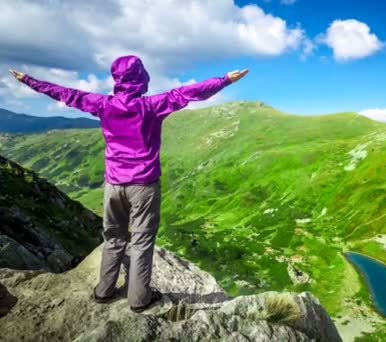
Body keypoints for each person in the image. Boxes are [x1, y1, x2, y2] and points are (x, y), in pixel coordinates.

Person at [9, 56, 248, 313]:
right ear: (142, 77)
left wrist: (29, 81)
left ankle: (104, 291)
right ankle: (139, 298)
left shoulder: (103, 104)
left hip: (113, 185)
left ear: (116, 79)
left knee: (113, 238)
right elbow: (189, 93)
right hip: (143, 186)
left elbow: (66, 94)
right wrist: (223, 80)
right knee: (142, 241)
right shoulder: (152, 106)